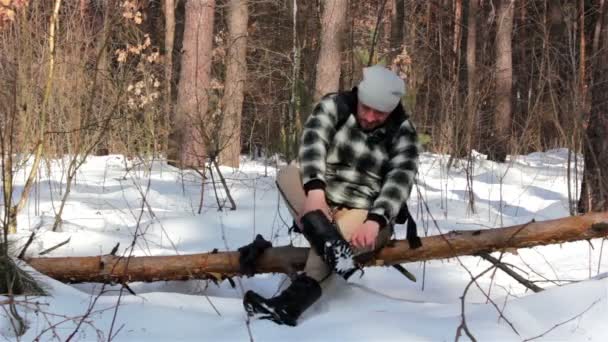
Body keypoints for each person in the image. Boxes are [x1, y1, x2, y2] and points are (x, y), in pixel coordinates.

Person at [243, 65, 420, 326]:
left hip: (364, 211)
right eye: (366, 108)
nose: (370, 117)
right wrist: (315, 193)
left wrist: (376, 221)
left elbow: (398, 183)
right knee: (287, 174)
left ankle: (289, 306)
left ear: (392, 110)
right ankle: (331, 242)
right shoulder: (334, 106)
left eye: (379, 113)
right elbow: (313, 144)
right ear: (359, 95)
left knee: (332, 238)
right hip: (323, 196)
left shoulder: (404, 133)